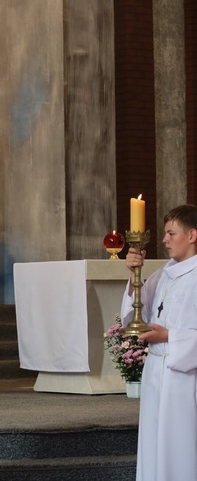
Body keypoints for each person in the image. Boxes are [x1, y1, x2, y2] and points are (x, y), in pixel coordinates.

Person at [121, 204, 197, 481]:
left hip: (185, 378)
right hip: (156, 372)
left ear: (192, 235)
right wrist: (133, 274)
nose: (164, 240)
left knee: (180, 445)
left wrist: (169, 337)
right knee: (154, 443)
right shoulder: (163, 274)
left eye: (170, 233)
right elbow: (133, 314)